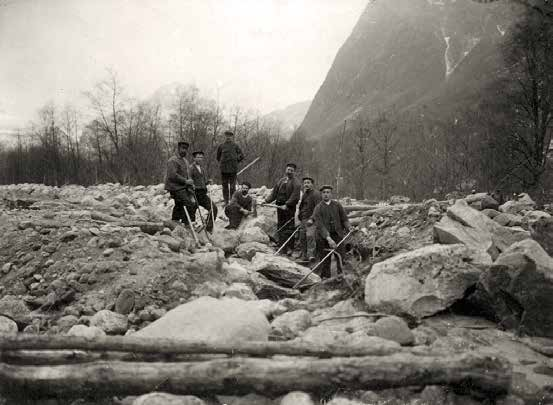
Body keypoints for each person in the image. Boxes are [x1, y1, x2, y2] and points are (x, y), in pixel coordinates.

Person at [312, 185, 351, 279]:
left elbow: (344, 219)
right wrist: (329, 239)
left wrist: (349, 227)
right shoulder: (318, 208)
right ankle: (326, 279)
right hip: (323, 238)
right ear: (321, 194)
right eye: (324, 192)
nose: (326, 194)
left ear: (331, 194)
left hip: (337, 234)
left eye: (328, 192)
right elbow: (320, 226)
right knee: (325, 260)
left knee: (341, 257)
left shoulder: (337, 205)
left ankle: (341, 277)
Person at [263, 163, 301, 255]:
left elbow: (295, 196)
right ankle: (281, 246)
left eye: (291, 170)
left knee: (289, 227)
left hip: (289, 209)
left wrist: (287, 205)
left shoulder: (296, 183)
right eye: (288, 169)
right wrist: (267, 201)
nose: (289, 172)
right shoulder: (281, 181)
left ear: (294, 172)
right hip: (279, 207)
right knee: (281, 225)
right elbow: (274, 193)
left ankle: (289, 248)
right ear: (285, 170)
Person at [164, 141, 197, 226]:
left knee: (183, 204)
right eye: (182, 148)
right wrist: (185, 181)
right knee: (187, 203)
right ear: (178, 148)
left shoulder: (185, 161)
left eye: (186, 149)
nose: (184, 151)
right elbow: (172, 175)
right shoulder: (172, 160)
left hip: (183, 187)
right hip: (174, 187)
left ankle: (175, 221)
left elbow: (187, 174)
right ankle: (186, 224)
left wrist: (190, 182)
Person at [190, 151, 218, 232]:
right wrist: (191, 192)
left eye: (201, 157)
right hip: (194, 193)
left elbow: (202, 182)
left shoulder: (202, 168)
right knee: (192, 211)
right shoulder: (191, 168)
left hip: (202, 194)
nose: (200, 159)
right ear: (194, 158)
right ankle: (192, 229)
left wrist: (208, 182)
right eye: (198, 157)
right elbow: (189, 181)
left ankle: (208, 228)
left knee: (213, 208)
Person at [296, 176, 321, 262]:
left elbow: (318, 208)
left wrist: (312, 219)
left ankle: (311, 255)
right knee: (302, 237)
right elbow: (301, 206)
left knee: (310, 236)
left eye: (308, 183)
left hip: (312, 220)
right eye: (305, 183)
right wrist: (300, 215)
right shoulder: (305, 194)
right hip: (304, 219)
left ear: (312, 184)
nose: (306, 184)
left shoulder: (316, 194)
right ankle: (304, 254)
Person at [217, 130, 244, 206]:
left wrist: (235, 161)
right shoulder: (221, 146)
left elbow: (241, 155)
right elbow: (218, 157)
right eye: (227, 136)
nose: (228, 137)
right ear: (224, 136)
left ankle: (232, 201)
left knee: (232, 187)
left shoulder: (236, 146)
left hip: (233, 169)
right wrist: (223, 163)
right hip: (224, 170)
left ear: (232, 137)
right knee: (224, 186)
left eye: (230, 136)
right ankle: (226, 201)